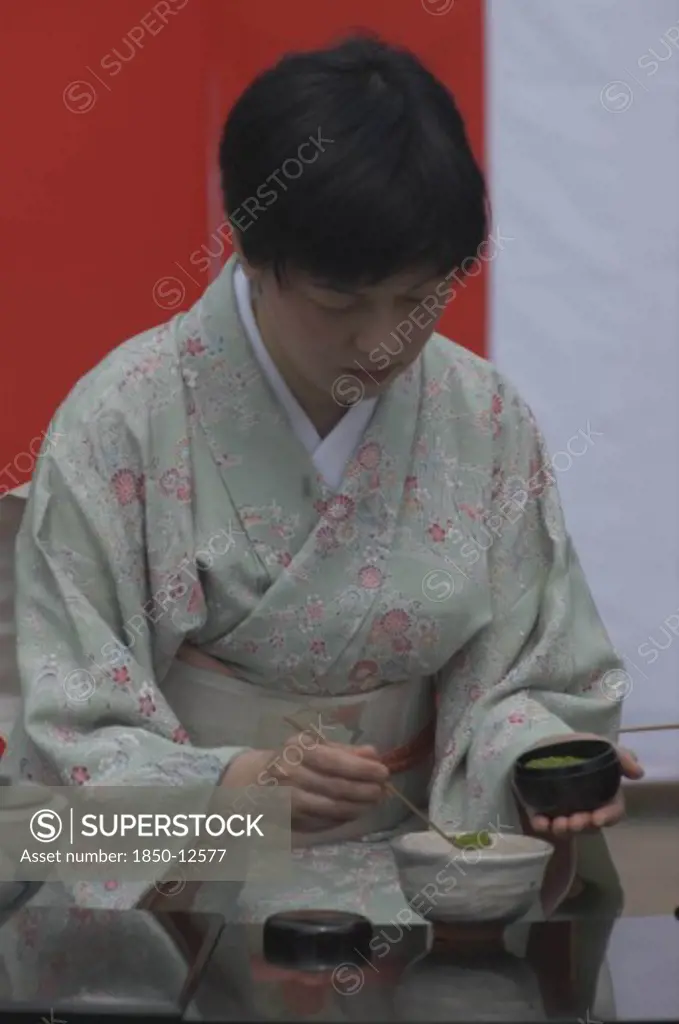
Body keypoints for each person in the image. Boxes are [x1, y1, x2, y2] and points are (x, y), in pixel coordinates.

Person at [3, 33, 642, 926]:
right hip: (187, 912)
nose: (382, 339)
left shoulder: (482, 420)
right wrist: (237, 786)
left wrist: (538, 755)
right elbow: (63, 742)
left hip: (431, 898)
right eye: (342, 302)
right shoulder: (123, 424)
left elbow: (532, 673)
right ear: (254, 254)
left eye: (420, 299)